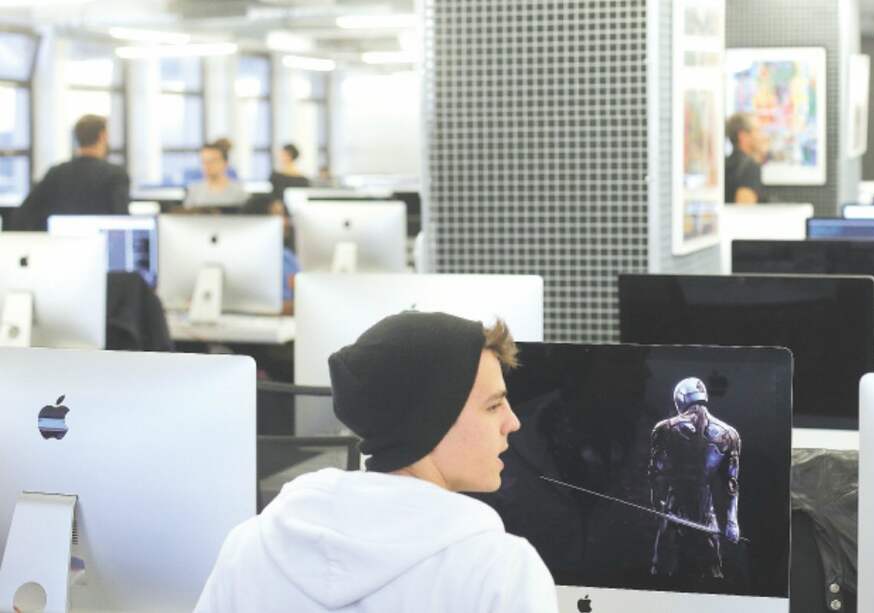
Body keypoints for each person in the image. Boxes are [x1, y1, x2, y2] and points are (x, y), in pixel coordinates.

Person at [195, 312, 558, 612]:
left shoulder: (250, 547)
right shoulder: (501, 574)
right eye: (493, 405)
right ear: (431, 420)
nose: (513, 422)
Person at [648, 377, 741, 579]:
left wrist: (656, 503)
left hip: (675, 507)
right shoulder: (729, 434)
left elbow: (656, 473)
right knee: (710, 573)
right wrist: (732, 522)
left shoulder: (665, 428)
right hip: (705, 512)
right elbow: (731, 484)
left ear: (680, 400)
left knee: (663, 571)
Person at [11, 114, 129, 231]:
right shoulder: (116, 175)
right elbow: (122, 222)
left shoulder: (55, 173)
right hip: (100, 246)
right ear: (103, 136)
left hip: (59, 244)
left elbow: (24, 214)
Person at [242, 194, 299, 315]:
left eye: (284, 215)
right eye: (278, 216)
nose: (286, 222)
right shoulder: (245, 260)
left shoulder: (287, 257)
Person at [183, 142, 248, 208]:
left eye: (213, 161)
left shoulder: (239, 192)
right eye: (204, 161)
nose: (207, 165)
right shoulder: (194, 190)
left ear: (225, 163)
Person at [724, 112, 767, 204]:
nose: (762, 136)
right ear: (743, 136)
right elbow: (745, 212)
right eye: (757, 131)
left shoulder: (726, 164)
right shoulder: (750, 167)